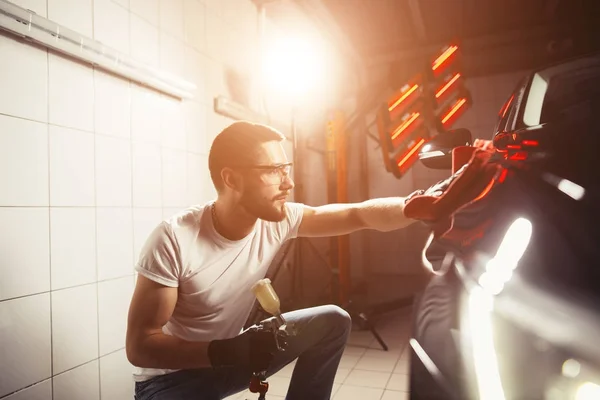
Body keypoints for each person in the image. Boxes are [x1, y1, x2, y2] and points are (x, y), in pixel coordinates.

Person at [126, 121, 418, 400]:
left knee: (333, 321)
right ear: (231, 178)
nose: (288, 183)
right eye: (274, 170)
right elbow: (140, 346)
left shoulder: (278, 219)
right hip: (170, 381)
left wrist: (415, 206)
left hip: (231, 358)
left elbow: (358, 214)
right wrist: (228, 351)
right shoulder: (174, 238)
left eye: (286, 169)